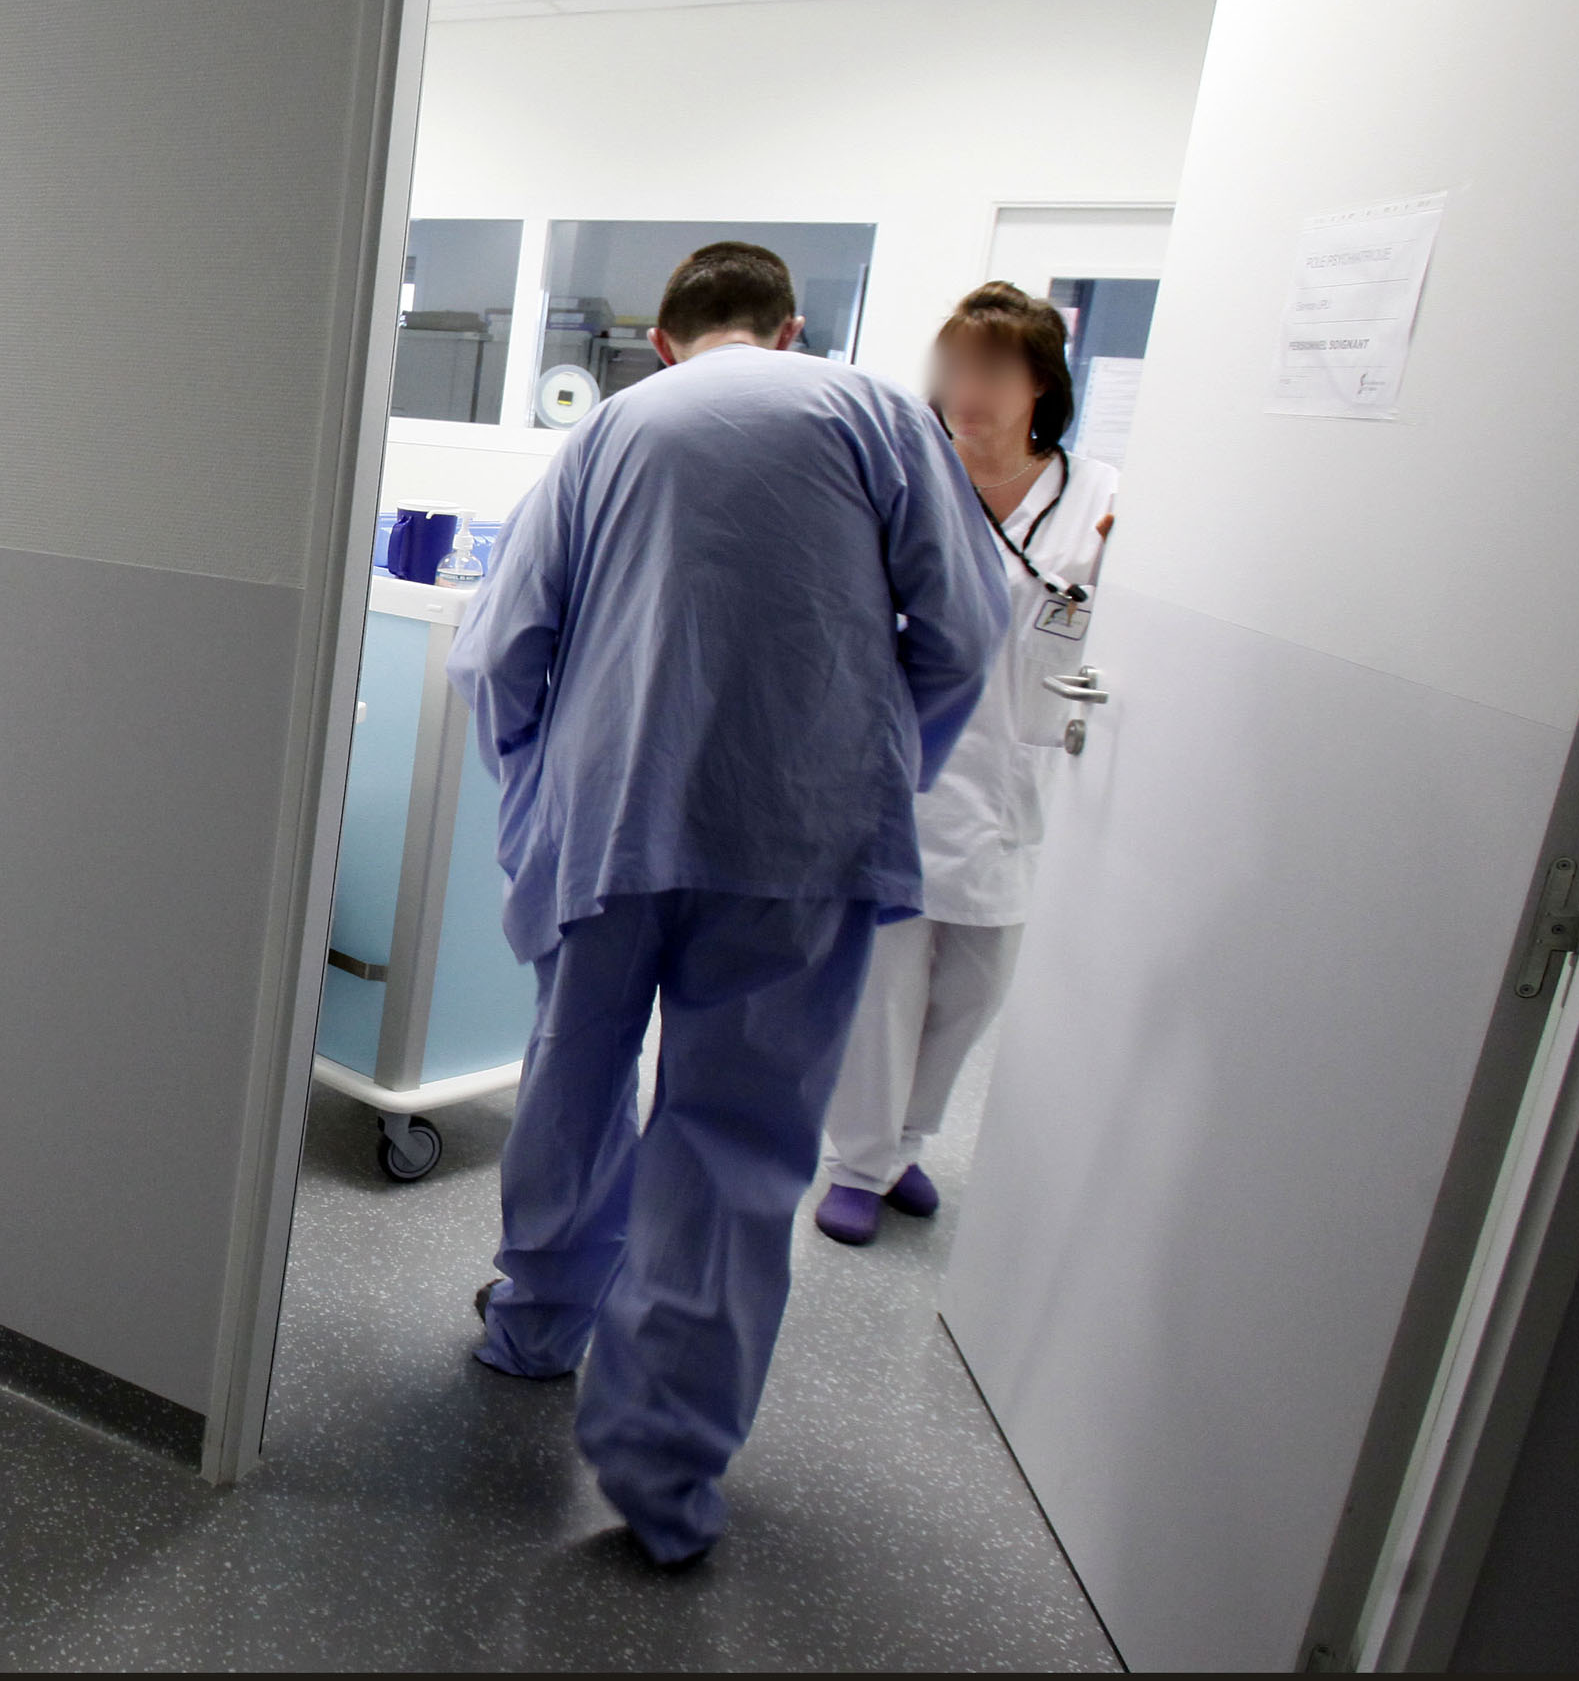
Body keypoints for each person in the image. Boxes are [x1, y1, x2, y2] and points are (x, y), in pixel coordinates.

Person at [446, 242, 1009, 1566]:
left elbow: (503, 649)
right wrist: (876, 768)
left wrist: (535, 792)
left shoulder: (611, 431)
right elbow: (967, 632)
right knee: (735, 1140)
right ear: (790, 328)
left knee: (574, 1075)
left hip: (612, 817)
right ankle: (665, 1472)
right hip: (796, 837)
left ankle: (538, 1324)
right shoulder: (875, 414)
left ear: (661, 339)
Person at [813, 282, 1120, 1246]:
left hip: (1021, 783)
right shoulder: (911, 482)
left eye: (991, 370)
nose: (967, 389)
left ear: (1042, 386)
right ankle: (858, 1161)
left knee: (973, 989)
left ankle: (904, 1143)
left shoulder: (1102, 501)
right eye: (956, 369)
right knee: (883, 986)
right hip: (908, 767)